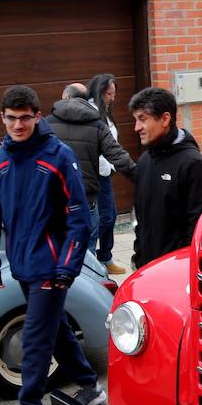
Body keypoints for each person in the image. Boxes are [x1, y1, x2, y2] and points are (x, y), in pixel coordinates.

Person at [0, 85, 105, 405]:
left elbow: (79, 218)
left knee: (34, 336)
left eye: (25, 117)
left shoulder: (58, 156)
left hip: (51, 266)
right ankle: (90, 387)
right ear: (2, 118)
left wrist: (67, 266)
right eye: (11, 118)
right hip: (20, 264)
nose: (18, 125)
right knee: (55, 327)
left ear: (37, 116)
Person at [45, 82, 135, 274]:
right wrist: (142, 177)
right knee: (87, 250)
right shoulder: (97, 126)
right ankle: (90, 283)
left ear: (65, 96)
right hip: (86, 198)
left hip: (54, 199)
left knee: (56, 247)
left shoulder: (46, 124)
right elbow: (119, 157)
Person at [126, 87, 202, 269]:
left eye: (143, 119)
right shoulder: (144, 161)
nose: (137, 128)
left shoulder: (194, 165)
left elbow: (197, 229)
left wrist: (182, 267)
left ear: (165, 119)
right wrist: (139, 258)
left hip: (175, 271)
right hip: (147, 268)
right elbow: (141, 220)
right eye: (136, 120)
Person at [86, 73, 127, 274]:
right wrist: (106, 166)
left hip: (106, 171)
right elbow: (94, 143)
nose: (113, 98)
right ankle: (95, 260)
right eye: (110, 94)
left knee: (108, 215)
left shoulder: (105, 111)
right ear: (100, 92)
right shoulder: (91, 112)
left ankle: (105, 257)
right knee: (103, 217)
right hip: (97, 173)